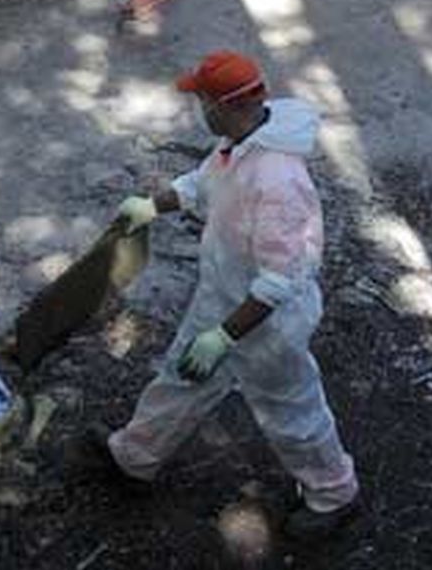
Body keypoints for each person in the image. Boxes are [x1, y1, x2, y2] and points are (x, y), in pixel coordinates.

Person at [77, 50, 360, 538]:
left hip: (268, 327)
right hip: (223, 298)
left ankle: (335, 494)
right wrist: (151, 206)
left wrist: (224, 337)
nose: (199, 110)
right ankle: (134, 458)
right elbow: (201, 184)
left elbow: (281, 279)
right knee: (180, 378)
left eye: (202, 101)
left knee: (291, 411)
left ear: (224, 105)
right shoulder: (240, 143)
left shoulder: (278, 182)